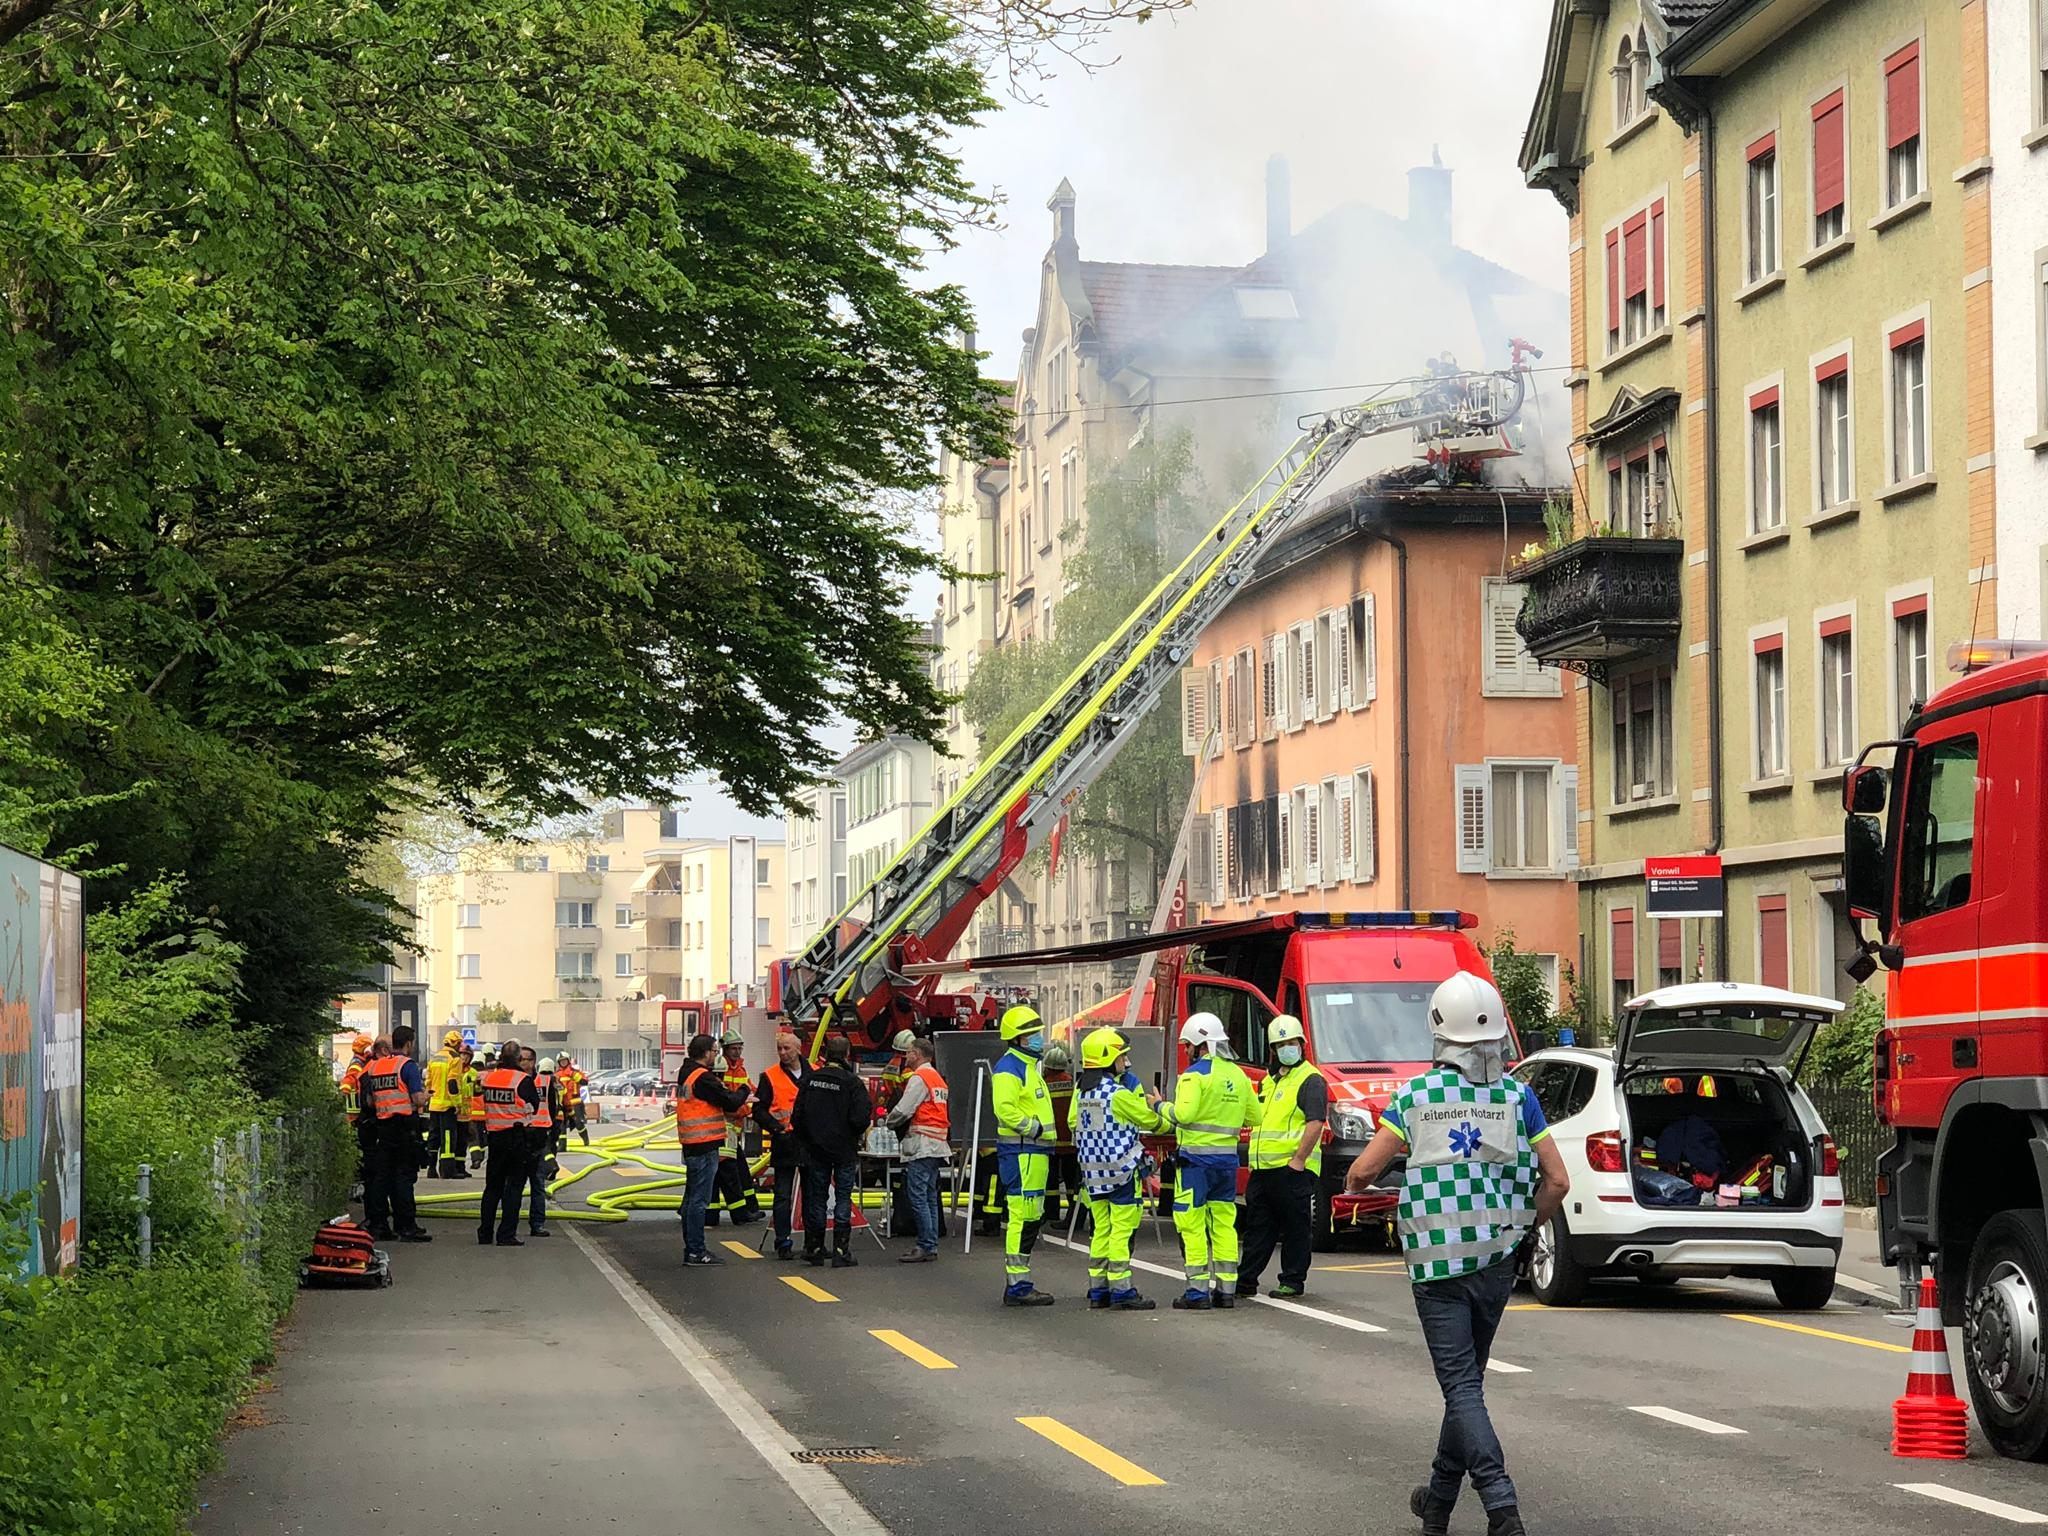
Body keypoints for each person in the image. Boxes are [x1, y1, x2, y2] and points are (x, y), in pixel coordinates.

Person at [1344, 972, 1568, 1536]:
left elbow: (1363, 1172)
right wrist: (1522, 1225)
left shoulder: (1416, 1097)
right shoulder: (1519, 1096)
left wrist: (1392, 1181)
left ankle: (1502, 1507)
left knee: (1460, 1386)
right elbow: (1558, 1182)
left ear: (1439, 1031)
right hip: (1497, 1261)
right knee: (1466, 1383)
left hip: (1437, 1263)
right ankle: (1438, 1503)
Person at [1148, 1011, 1254, 1310]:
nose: (1186, 1051)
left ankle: (1196, 1292)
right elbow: (1254, 1117)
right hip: (1227, 1165)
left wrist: (1159, 1106)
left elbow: (1183, 1116)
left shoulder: (1193, 1076)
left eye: (1188, 1045)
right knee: (1224, 1224)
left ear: (1200, 1043)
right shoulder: (1238, 1075)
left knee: (1192, 1225)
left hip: (1195, 1164)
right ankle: (1226, 1291)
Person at [1238, 1014, 1330, 1300]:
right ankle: (1246, 1280)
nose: (1286, 1049)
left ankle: (1292, 1280)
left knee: (1295, 1228)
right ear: (1273, 1050)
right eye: (1280, 1045)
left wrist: (1298, 1160)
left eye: (1291, 1043)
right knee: (1257, 1228)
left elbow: (1316, 1122)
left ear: (1301, 1044)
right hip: (1263, 1168)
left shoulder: (1311, 1079)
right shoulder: (1269, 1081)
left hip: (1291, 1168)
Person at [1071, 1027, 1162, 1311]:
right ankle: (1121, 1289)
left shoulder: (1083, 1093)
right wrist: (1163, 1111)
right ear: (1109, 1058)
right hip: (1121, 1171)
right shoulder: (1118, 1094)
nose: (1126, 1062)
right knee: (1121, 1231)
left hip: (1093, 1173)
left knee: (1101, 1230)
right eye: (1122, 1057)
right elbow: (1151, 1120)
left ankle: (1098, 1289)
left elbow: (1074, 1123)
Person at [989, 1003, 1057, 1306]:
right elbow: (1004, 1110)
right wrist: (1036, 1129)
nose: (1039, 1038)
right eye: (1033, 1034)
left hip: (1032, 1153)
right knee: (1023, 1217)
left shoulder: (1027, 1067)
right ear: (1018, 1038)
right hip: (1022, 1152)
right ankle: (1017, 1284)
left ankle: (1019, 1281)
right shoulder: (1009, 1069)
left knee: (1031, 1216)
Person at [791, 1034, 872, 1269]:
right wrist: (850, 1134)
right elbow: (860, 1118)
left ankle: (815, 1248)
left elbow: (798, 1116)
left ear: (826, 1052)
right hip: (844, 1150)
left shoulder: (811, 1079)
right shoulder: (852, 1082)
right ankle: (840, 1250)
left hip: (816, 1150)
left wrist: (809, 1139)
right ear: (847, 1054)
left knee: (817, 1198)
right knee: (843, 1197)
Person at [676, 1034, 749, 1265]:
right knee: (699, 1201)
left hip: (691, 1144)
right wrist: (745, 1091)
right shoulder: (702, 1078)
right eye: (714, 1051)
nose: (716, 1055)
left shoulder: (685, 1072)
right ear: (706, 1052)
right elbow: (730, 1101)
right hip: (704, 1144)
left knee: (691, 1200)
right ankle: (696, 1251)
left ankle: (692, 1248)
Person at [359, 1034, 434, 1243]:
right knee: (403, 1177)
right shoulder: (407, 1065)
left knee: (382, 1178)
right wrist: (426, 1096)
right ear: (409, 1043)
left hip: (382, 1128)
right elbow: (417, 1098)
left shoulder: (375, 1067)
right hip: (404, 1128)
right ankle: (406, 1226)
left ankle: (379, 1225)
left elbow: (369, 1102)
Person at [883, 1034, 949, 1263]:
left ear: (918, 1055)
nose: (906, 1055)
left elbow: (904, 1109)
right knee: (929, 1196)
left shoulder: (920, 1077)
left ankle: (925, 1245)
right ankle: (930, 1244)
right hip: (937, 1144)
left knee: (918, 1196)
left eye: (909, 1051)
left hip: (922, 1143)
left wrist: (888, 1121)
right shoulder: (937, 1078)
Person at [752, 1030, 810, 1259]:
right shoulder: (770, 1076)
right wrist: (776, 1128)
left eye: (787, 1048)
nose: (783, 1053)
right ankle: (783, 1241)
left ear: (798, 1049)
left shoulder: (813, 1072)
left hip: (807, 1142)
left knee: (812, 1195)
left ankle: (812, 1241)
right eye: (779, 1049)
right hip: (784, 1141)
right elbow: (758, 1110)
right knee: (783, 1195)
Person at [478, 1041, 543, 1247]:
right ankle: (506, 1234)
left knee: (492, 1188)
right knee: (514, 1188)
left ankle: (485, 1233)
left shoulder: (489, 1078)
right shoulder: (522, 1079)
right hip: (516, 1138)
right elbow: (534, 1104)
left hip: (495, 1138)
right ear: (516, 1059)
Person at [711, 1031, 762, 1225]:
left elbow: (749, 1089)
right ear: (725, 1049)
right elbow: (728, 1102)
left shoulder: (740, 1070)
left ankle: (749, 1208)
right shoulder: (719, 1069)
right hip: (723, 1129)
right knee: (729, 1173)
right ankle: (742, 1212)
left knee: (738, 1170)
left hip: (733, 1130)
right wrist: (743, 1110)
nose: (737, 1051)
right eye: (734, 1048)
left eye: (740, 1048)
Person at [518, 1048, 561, 1237]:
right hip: (519, 1135)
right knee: (515, 1184)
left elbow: (553, 1107)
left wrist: (552, 1136)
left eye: (526, 1060)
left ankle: (537, 1224)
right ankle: (510, 1225)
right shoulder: (515, 1080)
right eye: (520, 1059)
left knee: (538, 1183)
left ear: (533, 1061)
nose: (523, 1063)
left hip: (539, 1136)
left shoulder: (545, 1080)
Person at [424, 1029, 468, 1179]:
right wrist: (457, 1104)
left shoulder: (435, 1058)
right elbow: (452, 1083)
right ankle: (447, 1170)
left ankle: (431, 1168)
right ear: (455, 1043)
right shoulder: (454, 1059)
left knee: (433, 1136)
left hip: (434, 1104)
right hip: (447, 1105)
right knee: (448, 1138)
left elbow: (428, 1082)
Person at [460, 1049, 487, 1169]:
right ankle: (480, 1157)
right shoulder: (489, 1074)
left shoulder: (468, 1073)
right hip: (485, 1114)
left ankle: (476, 1158)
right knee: (482, 1139)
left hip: (469, 1112)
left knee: (472, 1138)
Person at [339, 1034, 371, 1127]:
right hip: (356, 1108)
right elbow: (349, 1079)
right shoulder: (357, 1065)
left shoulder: (361, 1063)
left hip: (357, 1107)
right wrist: (345, 1090)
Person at [559, 1056, 589, 1147]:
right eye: (561, 1061)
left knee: (578, 1124)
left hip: (575, 1103)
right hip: (563, 1104)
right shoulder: (557, 1074)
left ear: (568, 1061)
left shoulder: (575, 1072)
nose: (563, 1062)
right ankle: (562, 1146)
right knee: (561, 1126)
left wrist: (574, 1076)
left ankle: (585, 1139)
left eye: (564, 1060)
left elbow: (585, 1082)